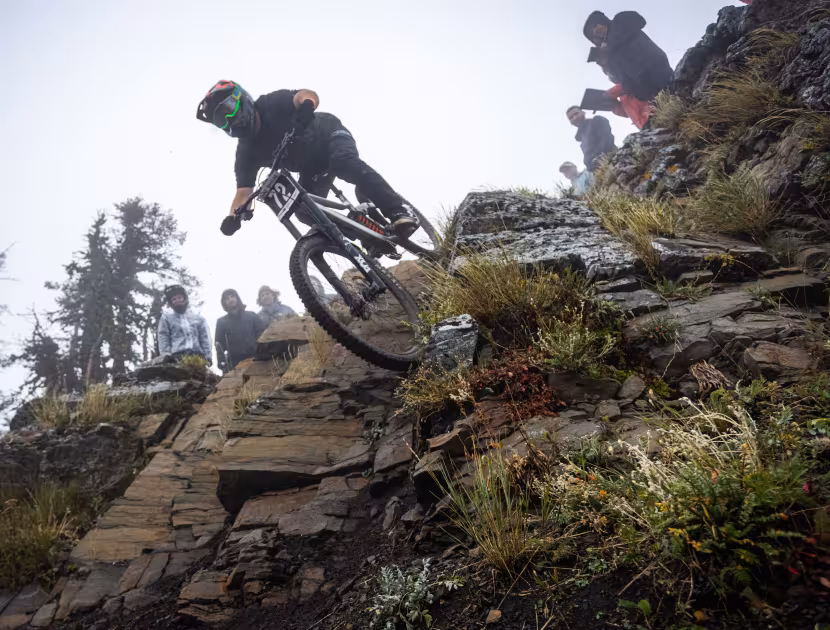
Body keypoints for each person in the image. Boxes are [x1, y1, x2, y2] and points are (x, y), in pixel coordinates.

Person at [196, 81, 420, 238]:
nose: (228, 119)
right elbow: (243, 192)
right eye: (220, 120)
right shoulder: (246, 153)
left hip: (330, 135)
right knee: (304, 212)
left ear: (241, 98)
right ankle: (366, 235)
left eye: (227, 109)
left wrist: (306, 105)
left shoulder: (270, 104)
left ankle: (399, 210)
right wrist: (232, 217)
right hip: (313, 167)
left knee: (343, 163)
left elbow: (306, 93)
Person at [583, 11, 673, 104]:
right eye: (592, 32)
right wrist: (605, 66)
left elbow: (640, 20)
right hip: (645, 90)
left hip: (656, 69)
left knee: (679, 94)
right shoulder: (607, 54)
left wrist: (611, 41)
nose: (596, 31)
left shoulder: (620, 21)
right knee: (669, 110)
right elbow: (618, 80)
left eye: (595, 26)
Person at [592, 48, 652, 130]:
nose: (607, 70)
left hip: (655, 116)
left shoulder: (634, 71)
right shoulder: (622, 96)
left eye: (606, 64)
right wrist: (613, 105)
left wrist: (609, 94)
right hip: (644, 127)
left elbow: (632, 84)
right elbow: (628, 112)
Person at [215, 289, 267, 372]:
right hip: (235, 363)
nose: (230, 299)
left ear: (237, 298)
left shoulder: (252, 316)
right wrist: (222, 362)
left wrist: (263, 354)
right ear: (224, 303)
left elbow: (262, 335)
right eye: (227, 298)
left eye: (232, 296)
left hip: (255, 359)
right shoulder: (222, 322)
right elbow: (219, 344)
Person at [157, 285, 212, 364]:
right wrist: (166, 355)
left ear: (185, 298)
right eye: (174, 299)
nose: (177, 300)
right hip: (177, 356)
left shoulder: (198, 318)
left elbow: (204, 338)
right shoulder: (166, 318)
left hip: (197, 356)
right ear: (171, 302)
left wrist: (208, 356)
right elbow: (163, 337)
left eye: (179, 297)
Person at [566, 106, 616, 172]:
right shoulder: (581, 139)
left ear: (583, 112)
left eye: (576, 114)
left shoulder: (597, 120)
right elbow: (587, 159)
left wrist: (598, 158)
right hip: (601, 171)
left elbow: (607, 139)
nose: (575, 118)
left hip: (614, 161)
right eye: (571, 118)